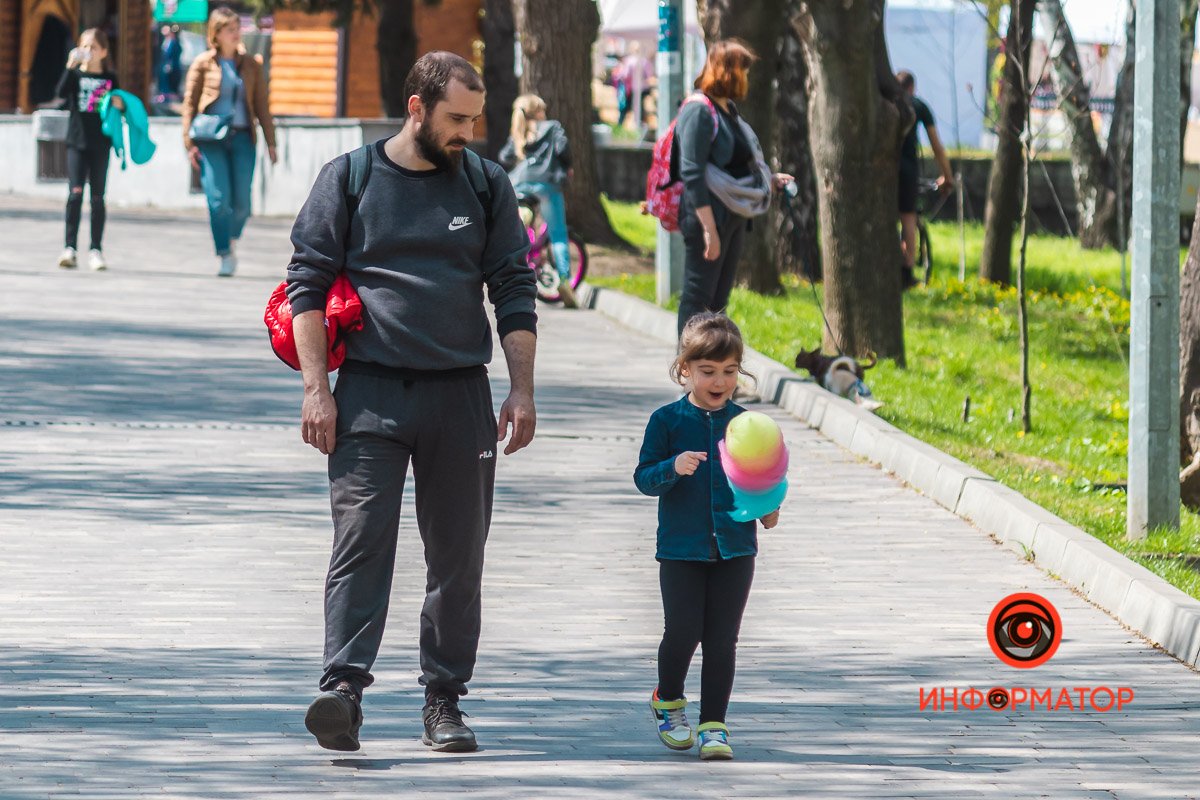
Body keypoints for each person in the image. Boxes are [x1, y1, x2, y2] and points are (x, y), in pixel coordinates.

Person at [286, 51, 538, 754]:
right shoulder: (350, 178)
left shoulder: (487, 185)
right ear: (417, 107)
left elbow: (514, 289)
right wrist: (317, 391)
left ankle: (443, 700)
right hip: (367, 393)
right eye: (456, 118)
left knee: (459, 555)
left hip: (460, 393)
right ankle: (342, 691)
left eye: (475, 119)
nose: (468, 132)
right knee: (361, 541)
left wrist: (521, 389)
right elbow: (306, 285)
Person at [634, 312, 781, 761]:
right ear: (685, 369)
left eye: (730, 371)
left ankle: (714, 726)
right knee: (682, 632)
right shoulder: (667, 421)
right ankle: (669, 701)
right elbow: (643, 478)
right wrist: (672, 468)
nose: (720, 381)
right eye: (708, 371)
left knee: (722, 638)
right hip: (681, 550)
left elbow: (764, 481)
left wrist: (768, 509)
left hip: (736, 549)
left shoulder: (748, 426)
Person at [674, 39, 793, 336]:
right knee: (697, 299)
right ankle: (690, 370)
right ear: (729, 72)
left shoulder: (727, 110)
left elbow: (735, 164)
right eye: (743, 70)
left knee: (717, 302)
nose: (746, 78)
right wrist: (709, 230)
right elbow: (692, 172)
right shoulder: (699, 111)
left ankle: (713, 371)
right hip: (708, 218)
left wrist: (770, 180)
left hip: (733, 217)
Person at [181, 6, 277, 277]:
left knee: (243, 204)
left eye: (238, 28)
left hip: (243, 137)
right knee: (218, 200)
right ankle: (224, 252)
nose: (237, 34)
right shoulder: (203, 63)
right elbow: (189, 104)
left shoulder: (250, 64)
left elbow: (261, 104)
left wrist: (271, 141)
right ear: (217, 33)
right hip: (211, 139)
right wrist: (189, 142)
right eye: (231, 30)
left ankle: (231, 236)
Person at [499, 94, 576, 308]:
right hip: (546, 184)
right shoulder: (552, 127)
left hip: (519, 185)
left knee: (521, 228)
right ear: (540, 111)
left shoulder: (519, 130)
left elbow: (505, 156)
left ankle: (526, 238)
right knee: (558, 233)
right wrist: (566, 167)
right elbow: (563, 150)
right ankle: (563, 280)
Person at [55, 28, 123, 272]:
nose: (88, 52)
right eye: (84, 46)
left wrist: (120, 103)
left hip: (100, 144)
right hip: (76, 142)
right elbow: (60, 94)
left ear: (104, 51)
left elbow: (119, 106)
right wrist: (70, 66)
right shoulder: (75, 76)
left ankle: (96, 249)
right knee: (75, 195)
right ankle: (69, 247)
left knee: (98, 198)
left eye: (93, 47)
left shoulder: (111, 78)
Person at [896, 70, 955, 289]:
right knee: (908, 217)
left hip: (884, 168)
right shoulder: (918, 106)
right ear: (912, 87)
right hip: (908, 169)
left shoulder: (887, 103)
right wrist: (947, 176)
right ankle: (907, 269)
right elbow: (937, 146)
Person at [157, 25, 183, 98]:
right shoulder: (169, 42)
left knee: (171, 83)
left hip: (173, 67)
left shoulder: (175, 43)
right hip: (169, 66)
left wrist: (169, 64)